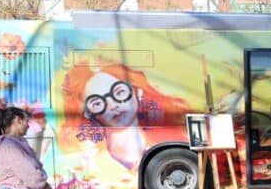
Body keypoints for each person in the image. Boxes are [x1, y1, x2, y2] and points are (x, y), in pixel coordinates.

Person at [59, 60, 192, 172]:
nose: (113, 105)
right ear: (88, 113)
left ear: (136, 92)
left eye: (119, 92)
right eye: (98, 102)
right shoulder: (91, 164)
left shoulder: (167, 146)